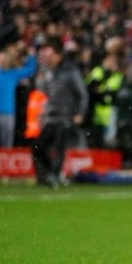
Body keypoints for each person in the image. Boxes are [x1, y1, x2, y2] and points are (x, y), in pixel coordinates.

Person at [32, 41, 88, 187]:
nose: (47, 58)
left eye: (49, 55)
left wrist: (80, 113)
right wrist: (42, 113)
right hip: (50, 116)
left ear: (58, 55)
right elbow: (44, 93)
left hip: (65, 116)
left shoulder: (70, 70)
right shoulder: (48, 71)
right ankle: (49, 173)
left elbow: (82, 94)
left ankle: (55, 175)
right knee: (38, 146)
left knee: (59, 147)